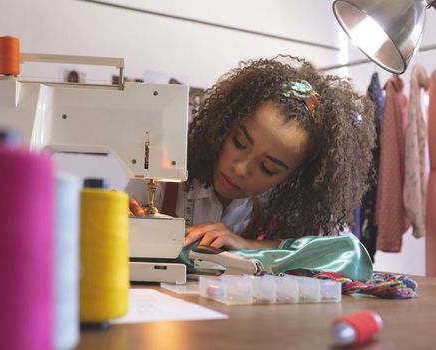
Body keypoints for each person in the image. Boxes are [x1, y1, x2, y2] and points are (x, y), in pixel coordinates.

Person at [128, 55, 376, 251]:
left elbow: (347, 250)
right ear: (226, 126)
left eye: (268, 168)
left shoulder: (285, 203)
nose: (240, 168)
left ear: (292, 176)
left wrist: (248, 245)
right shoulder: (163, 171)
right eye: (238, 142)